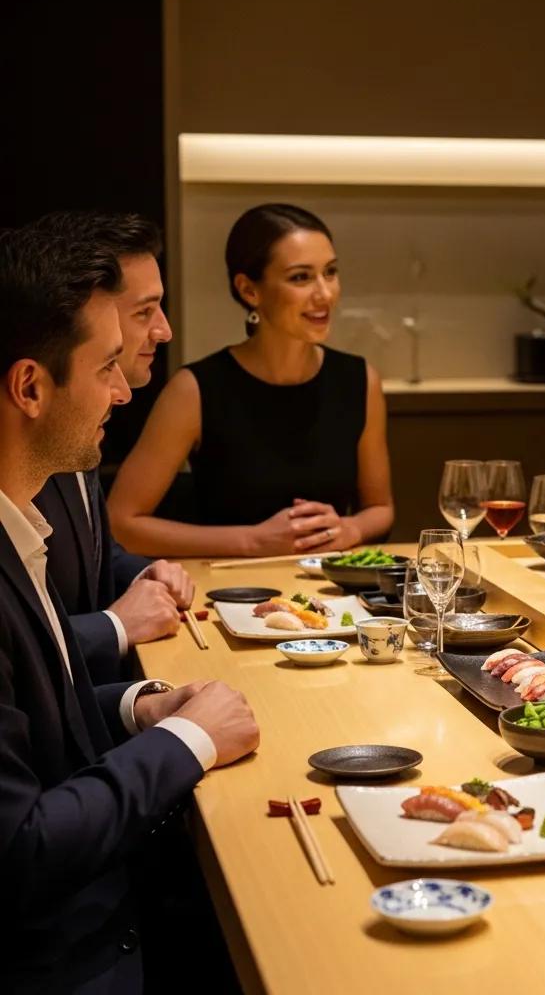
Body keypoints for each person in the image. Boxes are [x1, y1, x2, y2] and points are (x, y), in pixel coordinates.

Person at [0, 224, 259, 992]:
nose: (122, 392)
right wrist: (187, 740)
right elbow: (21, 853)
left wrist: (139, 709)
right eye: (106, 367)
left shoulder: (19, 526)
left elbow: (35, 722)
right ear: (30, 388)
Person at [107, 203, 394, 557]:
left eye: (330, 272)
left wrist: (350, 529)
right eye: (301, 277)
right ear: (248, 290)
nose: (325, 293)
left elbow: (381, 508)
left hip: (328, 583)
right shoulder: (195, 389)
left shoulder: (360, 380)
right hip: (228, 585)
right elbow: (121, 521)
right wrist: (254, 541)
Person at [32, 212, 194, 684]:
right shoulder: (41, 433)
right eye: (144, 312)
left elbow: (95, 556)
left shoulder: (84, 421)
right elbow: (20, 647)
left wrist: (144, 575)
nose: (164, 331)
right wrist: (115, 625)